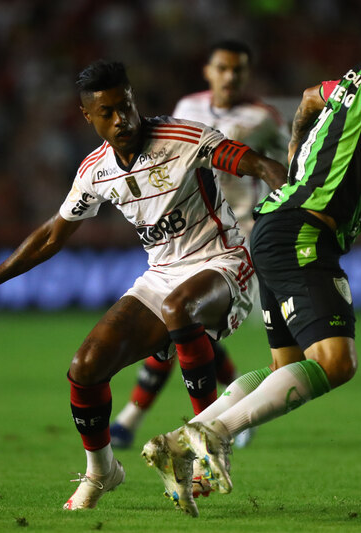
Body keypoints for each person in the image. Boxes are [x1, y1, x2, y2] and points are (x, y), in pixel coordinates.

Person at [142, 0, 361, 517]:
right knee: (337, 363)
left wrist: (296, 146)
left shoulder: (349, 86)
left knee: (286, 366)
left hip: (279, 226)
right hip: (302, 233)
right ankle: (215, 431)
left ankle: (180, 443)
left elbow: (307, 98)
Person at [0, 60, 287, 513]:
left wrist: (285, 190)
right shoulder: (95, 170)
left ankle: (208, 438)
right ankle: (102, 471)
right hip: (162, 277)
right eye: (108, 113)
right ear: (87, 117)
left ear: (134, 100)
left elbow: (252, 161)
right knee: (85, 366)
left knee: (179, 309)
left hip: (224, 262)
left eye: (126, 106)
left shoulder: (185, 138)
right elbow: (54, 234)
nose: (122, 120)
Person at [110, 39, 288, 451]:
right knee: (185, 331)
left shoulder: (263, 117)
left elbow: (286, 165)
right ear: (208, 71)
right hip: (188, 237)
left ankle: (134, 419)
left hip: (237, 239)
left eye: (238, 70)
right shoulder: (186, 109)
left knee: (182, 328)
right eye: (222, 68)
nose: (230, 77)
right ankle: (230, 415)